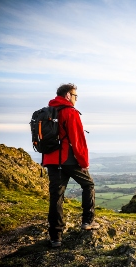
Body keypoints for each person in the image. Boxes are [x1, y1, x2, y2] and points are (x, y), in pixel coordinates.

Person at [43, 83, 99, 248]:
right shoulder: (70, 112)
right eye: (75, 96)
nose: (76, 99)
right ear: (67, 95)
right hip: (68, 159)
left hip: (51, 160)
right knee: (88, 184)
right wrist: (84, 162)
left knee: (56, 197)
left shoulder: (49, 111)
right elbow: (78, 140)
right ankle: (87, 221)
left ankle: (55, 238)